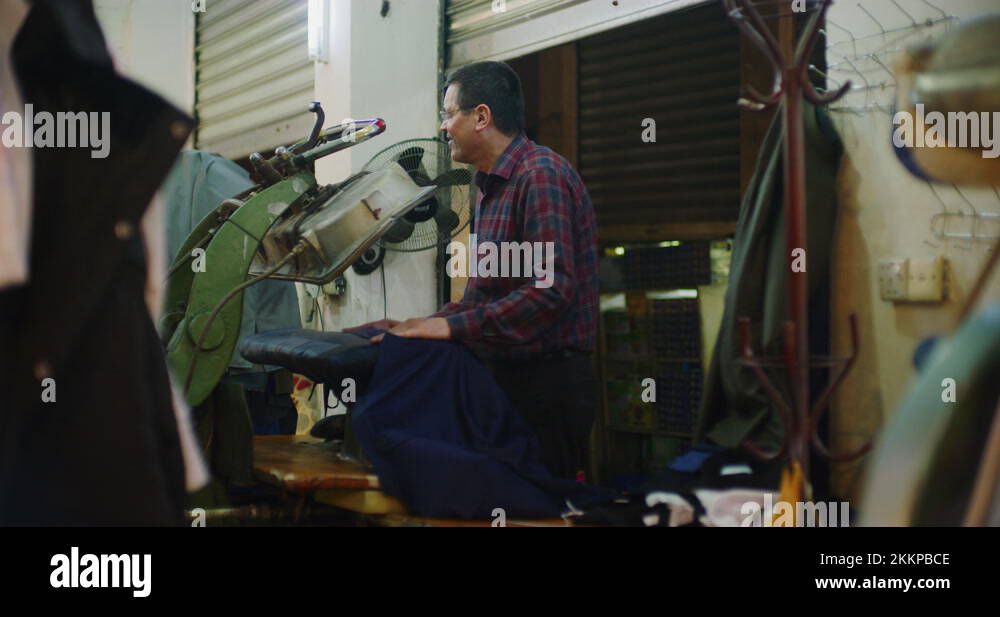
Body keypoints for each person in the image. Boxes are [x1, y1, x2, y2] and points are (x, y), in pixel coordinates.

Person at [349, 61, 599, 480]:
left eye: (448, 115)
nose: (443, 128)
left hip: (547, 387)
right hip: (505, 377)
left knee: (536, 507)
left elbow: (549, 290)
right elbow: (485, 300)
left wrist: (449, 330)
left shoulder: (540, 176)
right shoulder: (487, 187)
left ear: (481, 117)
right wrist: (419, 325)